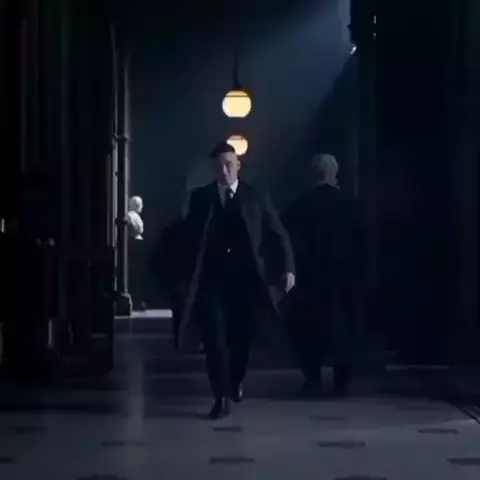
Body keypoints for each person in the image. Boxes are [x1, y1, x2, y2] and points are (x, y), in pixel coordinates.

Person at [179, 142, 295, 419]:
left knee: (240, 340)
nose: (225, 170)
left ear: (238, 165)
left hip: (245, 281)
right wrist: (183, 276)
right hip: (211, 281)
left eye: (229, 164)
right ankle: (221, 397)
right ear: (213, 169)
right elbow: (186, 240)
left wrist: (288, 268)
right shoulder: (201, 198)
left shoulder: (255, 196)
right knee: (215, 341)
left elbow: (277, 233)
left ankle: (234, 381)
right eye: (220, 166)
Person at [283, 154, 359, 397]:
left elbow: (287, 242)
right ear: (334, 173)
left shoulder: (300, 205)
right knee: (343, 329)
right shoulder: (351, 205)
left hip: (310, 278)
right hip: (344, 277)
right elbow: (363, 243)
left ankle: (313, 377)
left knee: (307, 329)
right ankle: (341, 382)